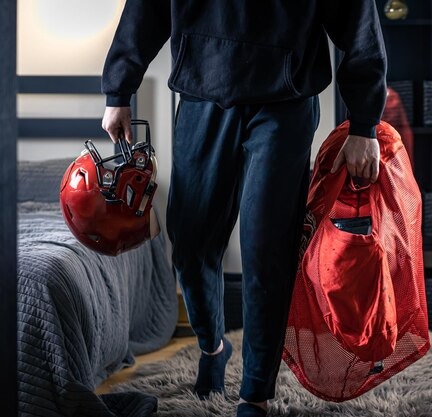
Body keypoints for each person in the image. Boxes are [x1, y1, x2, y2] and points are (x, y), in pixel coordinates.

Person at [101, 1, 387, 416]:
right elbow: (146, 7)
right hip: (202, 94)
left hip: (283, 101)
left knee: (265, 251)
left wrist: (365, 123)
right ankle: (212, 347)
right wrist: (119, 87)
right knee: (190, 245)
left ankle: (255, 394)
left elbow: (358, 18)